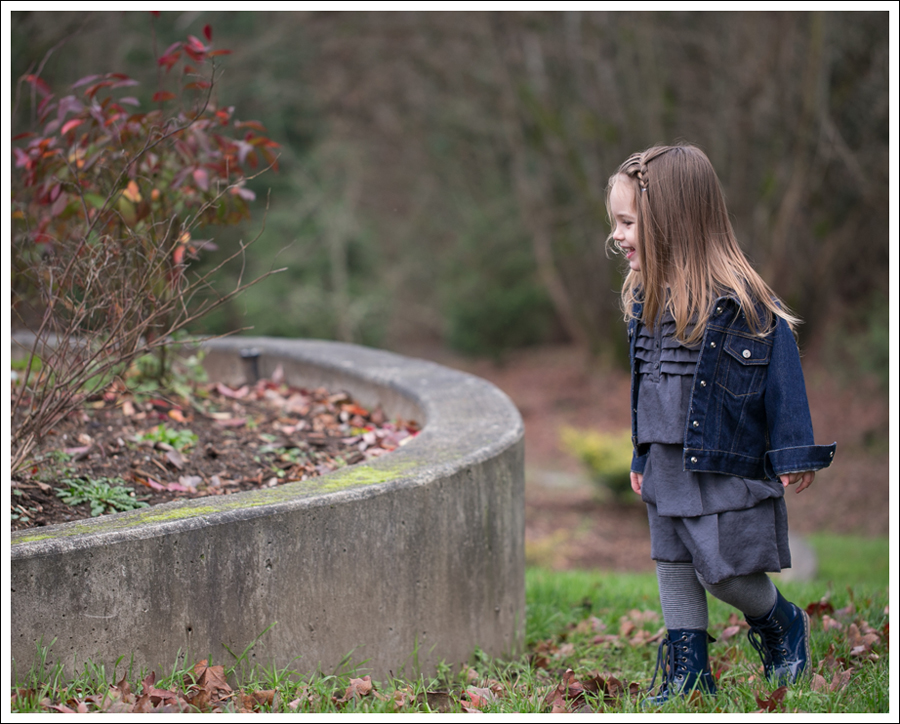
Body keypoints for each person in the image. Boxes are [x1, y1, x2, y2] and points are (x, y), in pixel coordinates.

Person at [606, 144, 836, 705]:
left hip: (721, 456)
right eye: (615, 222)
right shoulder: (643, 301)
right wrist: (641, 453)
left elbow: (783, 377)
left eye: (628, 222)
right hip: (665, 459)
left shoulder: (742, 305)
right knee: (672, 562)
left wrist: (793, 450)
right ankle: (689, 672)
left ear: (672, 221)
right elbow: (647, 388)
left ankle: (782, 621)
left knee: (722, 569)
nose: (616, 235)